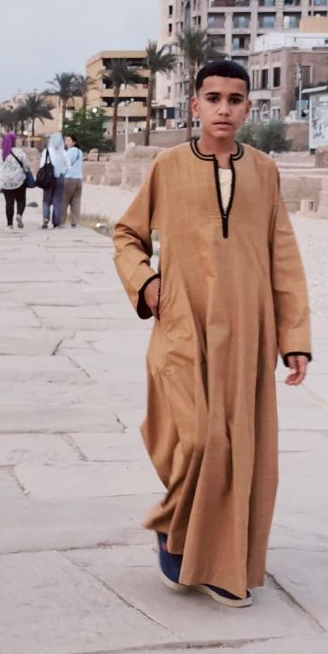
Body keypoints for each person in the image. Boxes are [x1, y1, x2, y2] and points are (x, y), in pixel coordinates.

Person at [111, 60, 311, 606]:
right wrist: (147, 284)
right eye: (214, 98)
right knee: (196, 437)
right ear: (194, 105)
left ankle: (221, 564)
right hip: (182, 322)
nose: (224, 108)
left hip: (248, 329)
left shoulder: (265, 171)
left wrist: (294, 336)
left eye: (235, 99)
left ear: (249, 108)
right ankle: (172, 523)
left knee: (240, 448)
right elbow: (127, 234)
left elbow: (283, 256)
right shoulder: (168, 166)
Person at [0, 130, 29, 229]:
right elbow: (26, 166)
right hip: (19, 180)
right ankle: (19, 214)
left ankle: (9, 224)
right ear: (14, 140)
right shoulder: (19, 152)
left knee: (9, 202)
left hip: (5, 182)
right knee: (21, 200)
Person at [36, 135, 62, 229]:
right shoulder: (63, 152)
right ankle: (56, 222)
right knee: (57, 200)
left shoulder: (47, 151)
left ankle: (46, 217)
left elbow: (42, 164)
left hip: (49, 178)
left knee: (46, 200)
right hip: (59, 178)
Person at [59, 137, 84, 227]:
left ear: (74, 142)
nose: (66, 142)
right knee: (76, 201)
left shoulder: (70, 151)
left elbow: (66, 164)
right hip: (79, 178)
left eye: (69, 140)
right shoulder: (80, 152)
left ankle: (61, 222)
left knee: (64, 200)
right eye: (66, 140)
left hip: (69, 178)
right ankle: (75, 222)